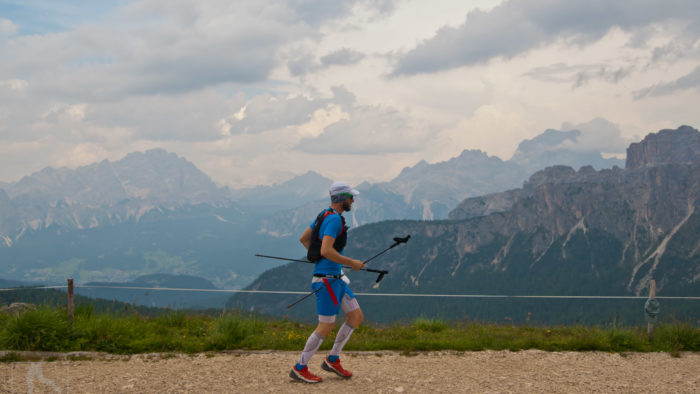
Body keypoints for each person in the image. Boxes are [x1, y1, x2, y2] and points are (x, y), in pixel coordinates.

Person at [289, 181, 365, 384]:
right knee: (325, 326)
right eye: (350, 197)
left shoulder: (324, 215)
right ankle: (300, 367)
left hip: (336, 279)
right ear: (341, 199)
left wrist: (319, 258)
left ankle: (332, 360)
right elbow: (325, 250)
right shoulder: (335, 221)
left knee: (356, 317)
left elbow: (304, 239)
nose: (352, 200)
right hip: (327, 282)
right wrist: (351, 263)